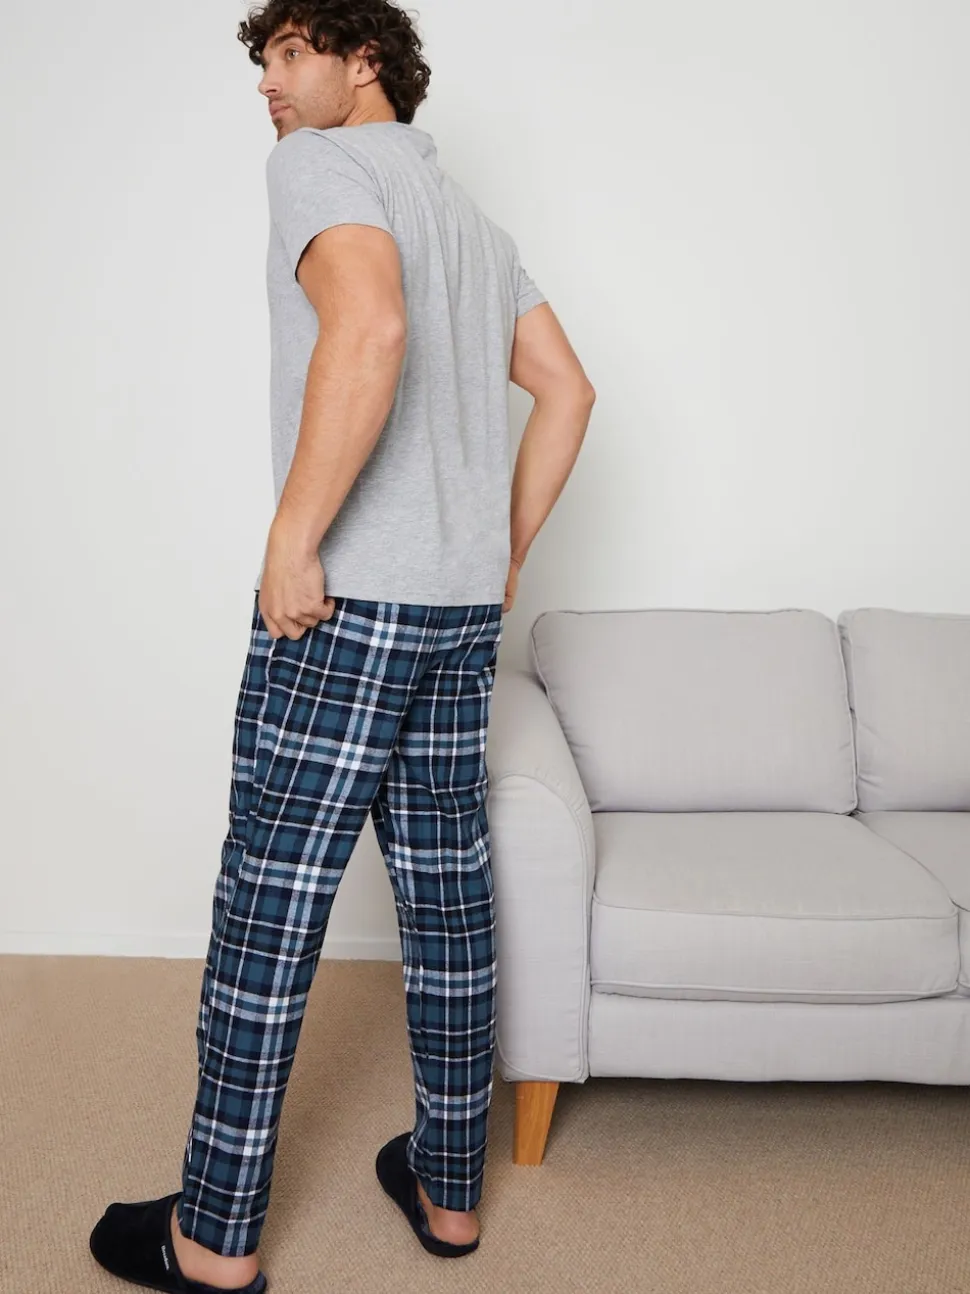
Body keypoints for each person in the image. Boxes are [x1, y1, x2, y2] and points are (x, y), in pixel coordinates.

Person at [88, 2, 595, 1290]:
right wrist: (501, 550)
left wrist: (293, 538)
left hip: (347, 605)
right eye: (263, 58)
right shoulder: (471, 223)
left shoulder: (321, 165)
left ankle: (212, 1240)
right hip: (456, 615)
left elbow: (369, 329)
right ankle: (449, 1193)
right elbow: (569, 388)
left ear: (363, 62)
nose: (267, 82)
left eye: (289, 53)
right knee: (448, 901)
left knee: (269, 908)